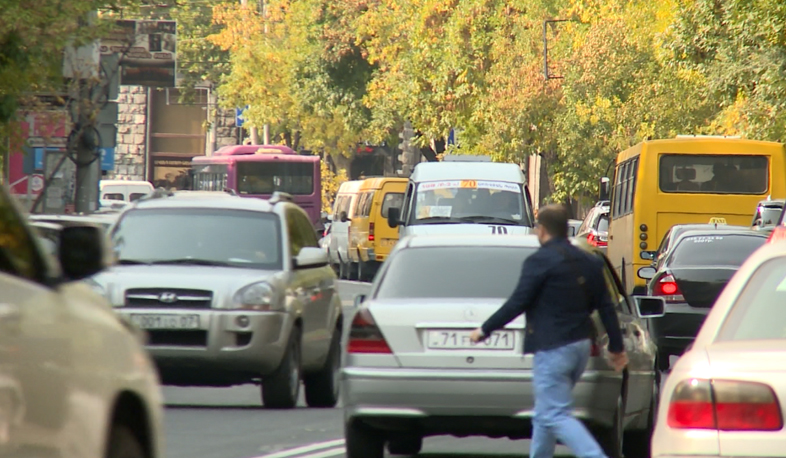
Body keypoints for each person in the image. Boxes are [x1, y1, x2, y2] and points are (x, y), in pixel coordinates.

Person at [470, 204, 628, 458]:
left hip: (553, 349)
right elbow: (606, 308)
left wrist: (484, 329)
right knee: (544, 416)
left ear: (541, 229)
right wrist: (617, 347)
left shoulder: (539, 261)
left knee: (554, 414)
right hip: (579, 348)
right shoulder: (588, 261)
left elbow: (517, 302)